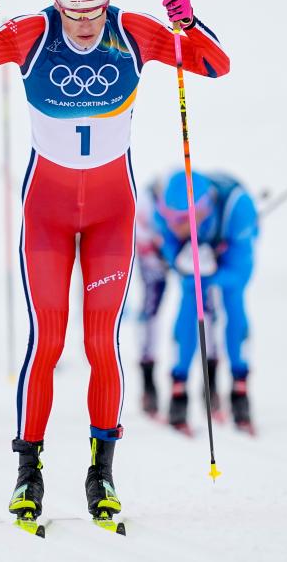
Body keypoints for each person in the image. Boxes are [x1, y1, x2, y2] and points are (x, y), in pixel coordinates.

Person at [0, 0, 229, 527]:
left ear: (108, 0)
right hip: (47, 216)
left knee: (101, 344)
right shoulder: (32, 35)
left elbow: (215, 66)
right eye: (75, 14)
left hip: (110, 217)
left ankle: (102, 473)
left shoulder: (133, 32)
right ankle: (28, 473)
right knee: (46, 341)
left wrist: (189, 24)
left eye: (95, 12)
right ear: (56, 3)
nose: (87, 25)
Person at [155, 169, 258, 436]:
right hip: (199, 261)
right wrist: (181, 263)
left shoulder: (238, 210)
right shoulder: (165, 215)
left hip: (231, 253)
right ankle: (178, 391)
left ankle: (240, 391)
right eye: (168, 217)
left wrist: (212, 272)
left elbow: (240, 273)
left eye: (180, 219)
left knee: (233, 303)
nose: (172, 225)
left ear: (200, 211)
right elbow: (168, 245)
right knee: (190, 299)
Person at [133, 178, 169, 417]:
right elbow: (140, 235)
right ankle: (149, 385)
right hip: (154, 260)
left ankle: (201, 386)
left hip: (182, 252)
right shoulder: (146, 204)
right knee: (151, 312)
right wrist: (157, 250)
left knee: (203, 308)